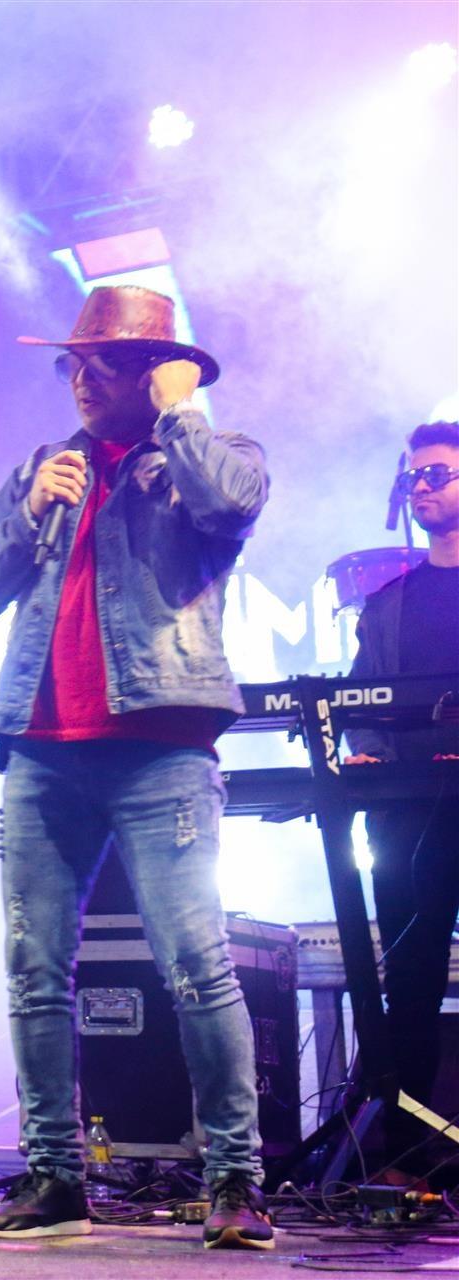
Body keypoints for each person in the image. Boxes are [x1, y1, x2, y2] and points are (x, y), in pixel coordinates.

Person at [0, 285, 273, 1250]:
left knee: (197, 966)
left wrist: (182, 413)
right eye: (73, 364)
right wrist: (28, 512)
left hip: (160, 751)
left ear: (153, 372)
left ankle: (236, 1182)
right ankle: (55, 1177)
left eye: (102, 364)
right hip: (42, 750)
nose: (81, 380)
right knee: (34, 971)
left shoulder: (208, 456)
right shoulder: (41, 469)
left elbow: (231, 505)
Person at [345, 421, 459, 1179]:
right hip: (407, 813)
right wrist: (366, 752)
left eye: (438, 474)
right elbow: (360, 701)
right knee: (410, 985)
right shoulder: (386, 605)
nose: (421, 486)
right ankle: (408, 1161)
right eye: (414, 476)